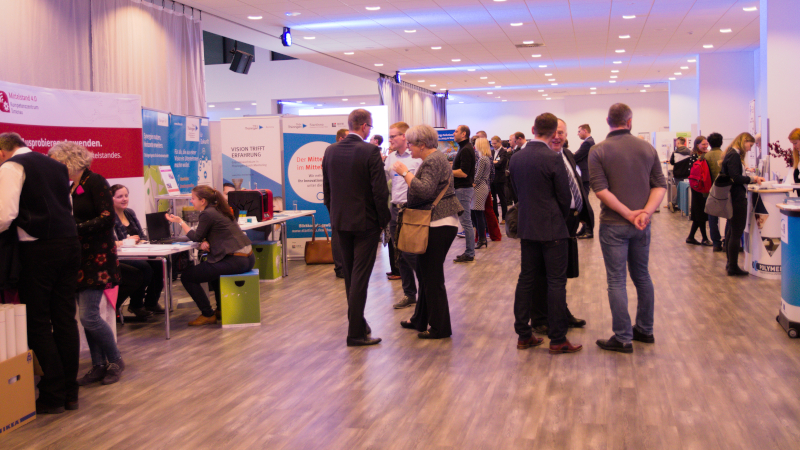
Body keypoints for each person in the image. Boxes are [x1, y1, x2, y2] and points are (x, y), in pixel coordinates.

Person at [0, 133, 81, 414]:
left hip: (37, 248)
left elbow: (4, 215)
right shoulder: (55, 166)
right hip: (69, 244)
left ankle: (52, 393)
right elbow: (67, 208)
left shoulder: (12, 166)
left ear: (2, 151)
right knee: (65, 318)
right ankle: (70, 392)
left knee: (37, 322)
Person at [589, 103, 667, 354]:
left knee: (617, 280)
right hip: (641, 225)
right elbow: (660, 185)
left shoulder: (598, 150)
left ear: (607, 121)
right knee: (642, 276)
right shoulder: (647, 148)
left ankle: (623, 337)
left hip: (614, 225)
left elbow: (600, 190)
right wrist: (645, 213)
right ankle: (645, 329)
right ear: (630, 121)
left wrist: (628, 213)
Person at [48, 142, 125, 385]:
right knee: (87, 318)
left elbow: (107, 218)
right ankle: (98, 365)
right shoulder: (71, 186)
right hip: (78, 257)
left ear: (68, 160)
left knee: (89, 317)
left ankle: (115, 360)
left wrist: (73, 228)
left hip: (97, 257)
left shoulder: (95, 181)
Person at [510, 113, 582, 354]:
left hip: (527, 227)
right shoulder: (554, 158)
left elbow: (516, 192)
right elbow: (564, 197)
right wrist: (558, 217)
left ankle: (523, 335)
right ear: (553, 133)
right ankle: (558, 338)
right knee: (556, 282)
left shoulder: (516, 158)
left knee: (526, 279)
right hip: (553, 229)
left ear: (533, 129)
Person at [322, 109, 391, 347]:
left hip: (340, 221)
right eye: (370, 127)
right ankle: (355, 333)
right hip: (366, 223)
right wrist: (383, 221)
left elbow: (327, 191)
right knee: (360, 277)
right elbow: (379, 191)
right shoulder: (370, 151)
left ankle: (359, 325)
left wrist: (335, 216)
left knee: (351, 276)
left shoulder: (330, 151)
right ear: (364, 127)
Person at [393, 125, 464, 339]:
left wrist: (405, 173)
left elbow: (424, 190)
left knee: (432, 278)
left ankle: (440, 328)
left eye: (411, 144)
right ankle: (420, 319)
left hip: (437, 224)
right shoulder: (435, 159)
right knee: (425, 275)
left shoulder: (433, 160)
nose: (409, 147)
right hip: (438, 222)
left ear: (422, 144)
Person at [530, 118, 591, 335]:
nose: (557, 137)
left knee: (560, 273)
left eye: (562, 133)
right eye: (554, 132)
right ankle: (540, 319)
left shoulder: (567, 154)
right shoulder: (540, 158)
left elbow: (576, 183)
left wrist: (581, 213)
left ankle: (560, 312)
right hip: (549, 222)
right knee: (542, 273)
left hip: (569, 220)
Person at [166, 185, 255, 324]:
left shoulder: (207, 213)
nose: (191, 201)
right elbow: (215, 232)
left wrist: (181, 222)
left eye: (193, 198)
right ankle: (220, 309)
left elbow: (196, 237)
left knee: (187, 277)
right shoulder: (220, 209)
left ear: (202, 201)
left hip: (236, 260)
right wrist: (205, 240)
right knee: (210, 264)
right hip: (247, 258)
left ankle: (207, 314)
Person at [111, 184, 165, 318]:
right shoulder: (109, 217)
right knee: (145, 268)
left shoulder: (130, 213)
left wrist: (142, 241)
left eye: (126, 196)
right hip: (120, 256)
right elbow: (110, 243)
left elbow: (141, 235)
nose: (124, 199)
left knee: (159, 264)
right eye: (120, 197)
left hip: (137, 252)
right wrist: (125, 242)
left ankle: (151, 302)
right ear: (111, 199)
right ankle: (136, 304)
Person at [384, 122, 422, 309]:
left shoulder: (416, 158)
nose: (390, 140)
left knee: (413, 253)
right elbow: (386, 183)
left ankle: (426, 289)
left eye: (393, 136)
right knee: (400, 253)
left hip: (413, 210)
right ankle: (409, 294)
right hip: (395, 209)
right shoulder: (390, 158)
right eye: (390, 136)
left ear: (404, 137)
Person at [721, 132, 764, 276]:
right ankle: (733, 266)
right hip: (737, 198)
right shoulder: (734, 155)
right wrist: (753, 179)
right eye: (750, 145)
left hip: (732, 197)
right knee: (736, 232)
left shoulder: (730, 153)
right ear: (744, 140)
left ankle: (730, 264)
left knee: (731, 231)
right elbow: (736, 178)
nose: (750, 149)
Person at [452, 125, 476, 263]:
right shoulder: (464, 148)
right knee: (466, 222)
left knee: (466, 222)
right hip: (462, 189)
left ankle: (469, 253)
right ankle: (469, 252)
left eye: (456, 131)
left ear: (463, 134)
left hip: (463, 189)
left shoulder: (466, 149)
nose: (453, 133)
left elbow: (463, 173)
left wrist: (446, 170)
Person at [686, 136, 712, 246]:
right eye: (704, 144)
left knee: (698, 214)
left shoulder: (699, 155)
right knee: (700, 213)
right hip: (699, 188)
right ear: (698, 145)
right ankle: (704, 238)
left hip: (699, 187)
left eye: (707, 144)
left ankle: (691, 237)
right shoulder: (697, 157)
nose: (706, 146)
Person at [703, 132, 725, 251]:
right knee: (728, 216)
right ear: (721, 142)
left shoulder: (705, 156)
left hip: (709, 191)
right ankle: (727, 240)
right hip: (724, 190)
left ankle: (716, 243)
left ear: (709, 143)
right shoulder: (725, 155)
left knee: (712, 218)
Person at [574, 124, 595, 238]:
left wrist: (569, 155)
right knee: (583, 203)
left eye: (579, 131)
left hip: (585, 176)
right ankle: (585, 228)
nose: (578, 134)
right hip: (584, 175)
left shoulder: (588, 143)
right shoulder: (588, 142)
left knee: (585, 204)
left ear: (585, 130)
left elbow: (577, 156)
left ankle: (588, 230)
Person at [471, 138, 492, 249]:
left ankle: (482, 239)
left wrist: (472, 185)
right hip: (481, 187)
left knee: (478, 214)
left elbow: (478, 176)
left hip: (479, 188)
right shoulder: (485, 158)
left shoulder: (483, 159)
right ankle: (481, 238)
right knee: (475, 213)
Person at [490, 136, 509, 224]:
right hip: (492, 179)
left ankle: (505, 217)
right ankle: (495, 217)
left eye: (495, 143)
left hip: (500, 179)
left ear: (499, 142)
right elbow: (491, 163)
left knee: (502, 199)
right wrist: (494, 162)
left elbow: (500, 164)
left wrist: (492, 162)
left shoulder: (504, 152)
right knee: (493, 199)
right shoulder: (491, 152)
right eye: (492, 143)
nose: (493, 145)